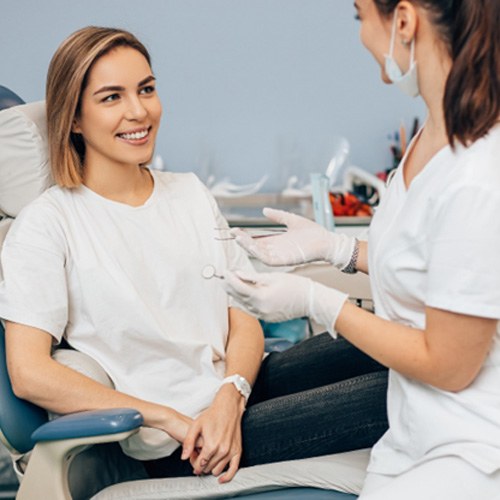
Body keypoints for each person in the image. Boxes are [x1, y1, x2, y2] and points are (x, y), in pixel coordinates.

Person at [0, 26, 389, 499]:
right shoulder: (48, 223)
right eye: (111, 97)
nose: (138, 111)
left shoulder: (187, 192)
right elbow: (29, 372)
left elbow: (240, 315)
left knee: (397, 337)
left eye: (146, 89)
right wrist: (167, 418)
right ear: (75, 119)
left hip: (236, 392)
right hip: (181, 442)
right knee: (401, 392)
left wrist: (232, 393)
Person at [223, 0, 500, 498]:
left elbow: (450, 365)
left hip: (472, 448)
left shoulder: (478, 175)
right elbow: (432, 264)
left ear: (404, 21)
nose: (360, 35)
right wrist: (339, 249)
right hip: (412, 430)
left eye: (359, 17)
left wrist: (321, 303)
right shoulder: (431, 137)